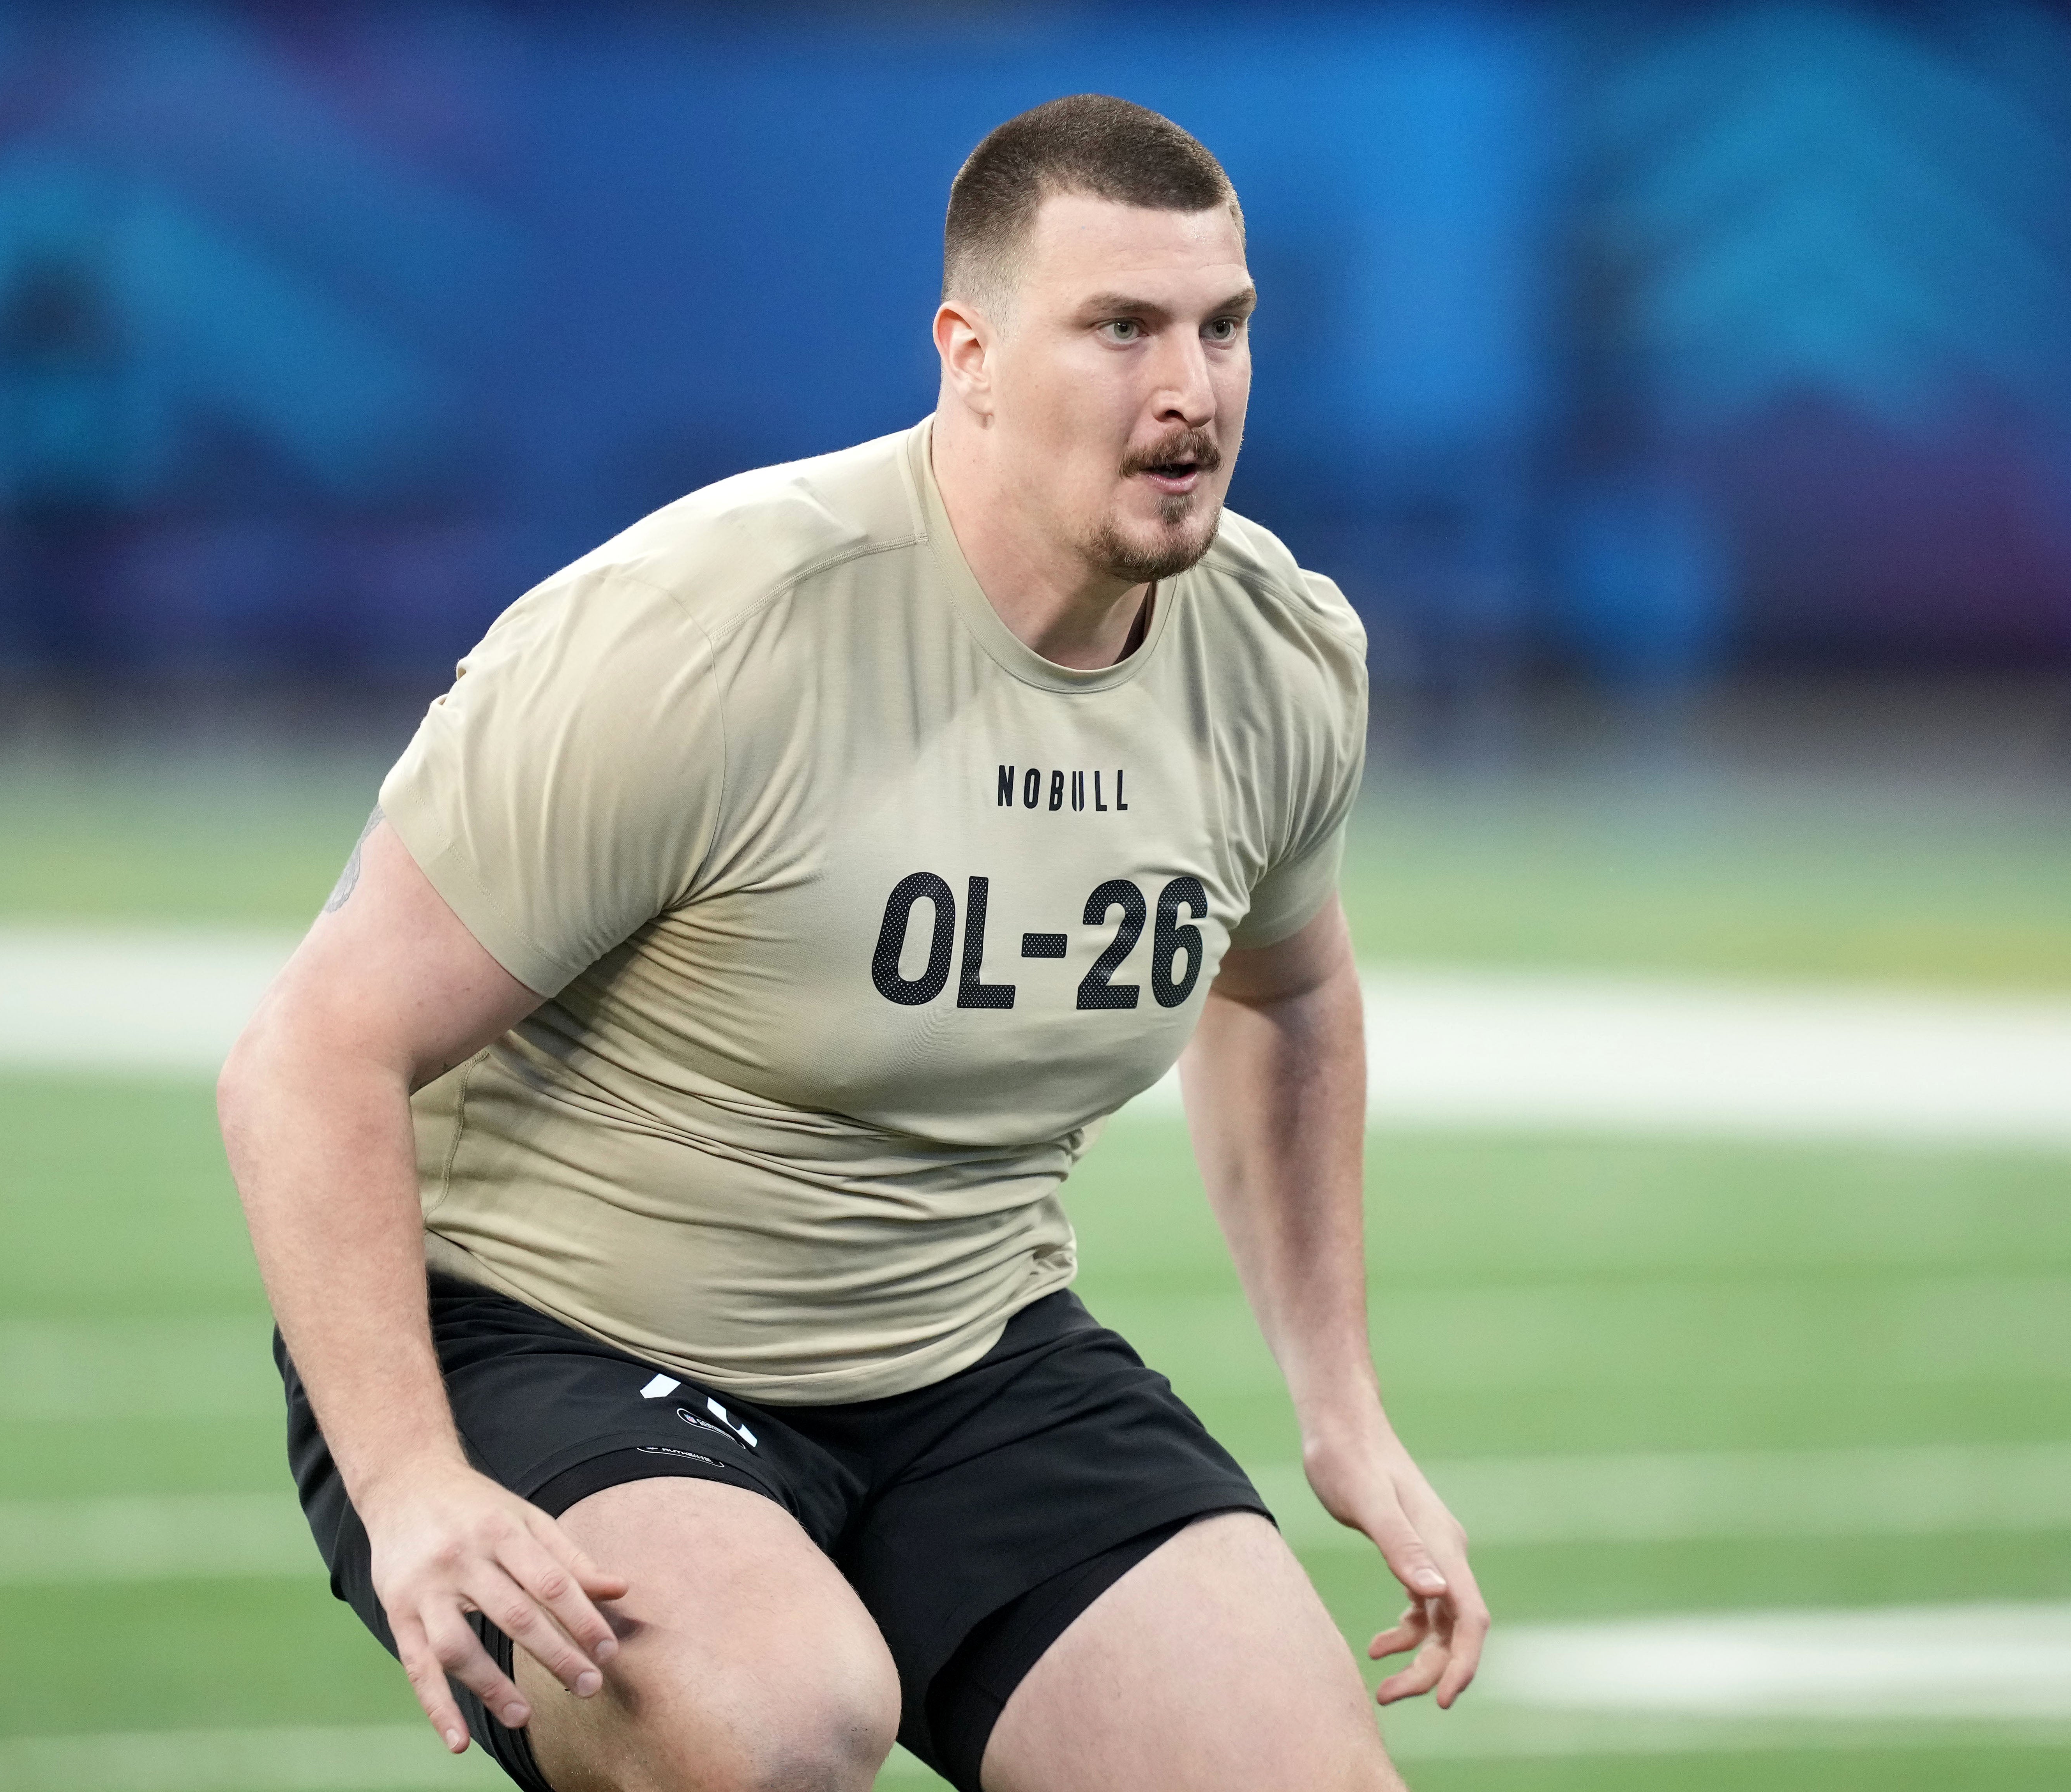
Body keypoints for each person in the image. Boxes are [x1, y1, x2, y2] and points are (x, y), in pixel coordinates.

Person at [217, 94, 1485, 1792]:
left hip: (962, 1350)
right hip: (556, 1334)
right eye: (1121, 327)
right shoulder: (710, 633)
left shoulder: (1277, 654)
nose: (1192, 388)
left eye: (1225, 326)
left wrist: (1341, 1398)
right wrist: (411, 1482)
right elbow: (309, 1050)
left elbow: (1290, 990)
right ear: (966, 350)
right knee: (774, 1721)